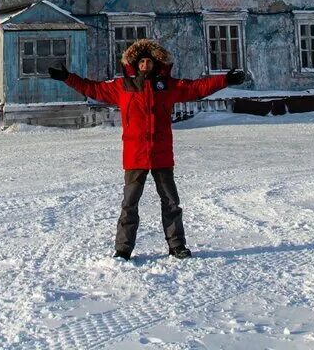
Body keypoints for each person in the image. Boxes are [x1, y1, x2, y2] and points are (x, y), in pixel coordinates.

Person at [48, 38, 245, 260]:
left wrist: (225, 80)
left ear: (155, 63)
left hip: (161, 154)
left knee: (171, 202)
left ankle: (177, 245)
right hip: (135, 156)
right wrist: (67, 78)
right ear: (135, 63)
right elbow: (92, 87)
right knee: (129, 204)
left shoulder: (167, 86)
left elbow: (196, 88)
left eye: (148, 61)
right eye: (141, 61)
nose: (145, 65)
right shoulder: (123, 87)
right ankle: (123, 249)